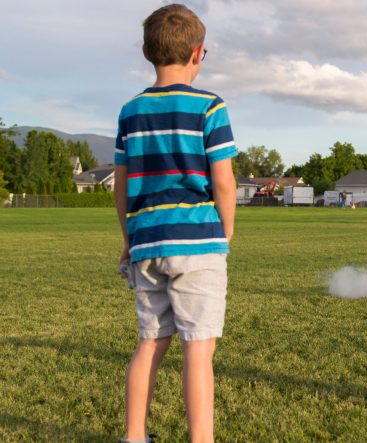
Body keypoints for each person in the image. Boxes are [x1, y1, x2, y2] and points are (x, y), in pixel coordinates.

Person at [113, 4, 237, 442]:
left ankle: (134, 436)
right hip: (198, 243)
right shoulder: (210, 106)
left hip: (147, 243)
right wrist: (226, 229)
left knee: (150, 341)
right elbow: (223, 180)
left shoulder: (131, 111)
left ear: (147, 51)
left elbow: (121, 187)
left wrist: (131, 240)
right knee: (198, 350)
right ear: (198, 53)